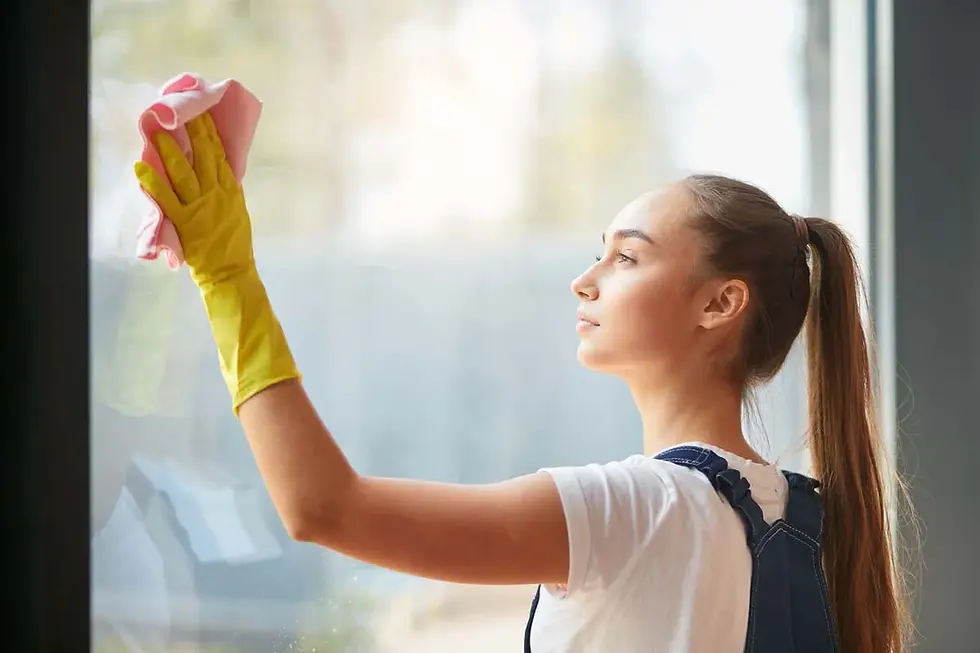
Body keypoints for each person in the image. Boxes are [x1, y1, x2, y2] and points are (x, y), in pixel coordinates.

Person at [134, 112, 911, 653]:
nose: (585, 279)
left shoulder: (632, 508)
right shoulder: (815, 523)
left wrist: (226, 275)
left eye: (627, 257)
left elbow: (323, 506)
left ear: (720, 302)